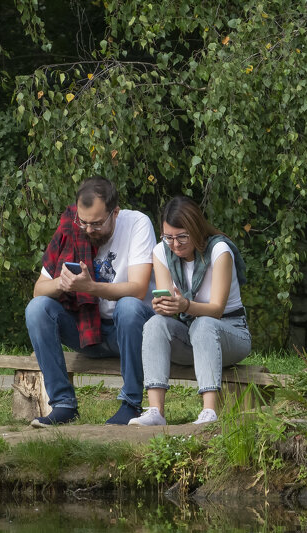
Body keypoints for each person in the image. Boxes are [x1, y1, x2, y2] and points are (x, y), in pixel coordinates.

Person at [25, 177, 156, 427]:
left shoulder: (137, 223)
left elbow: (139, 289)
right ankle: (63, 405)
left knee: (128, 307)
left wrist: (90, 288)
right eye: (83, 222)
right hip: (88, 331)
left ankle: (131, 404)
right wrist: (62, 284)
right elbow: (38, 290)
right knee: (37, 309)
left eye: (96, 224)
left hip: (130, 332)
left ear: (114, 212)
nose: (87, 230)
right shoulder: (71, 226)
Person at [129, 196, 251, 426]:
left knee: (204, 323)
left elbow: (216, 309)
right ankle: (156, 411)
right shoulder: (161, 252)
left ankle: (209, 412)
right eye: (169, 237)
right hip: (192, 337)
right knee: (155, 324)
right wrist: (164, 306)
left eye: (182, 236)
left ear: (195, 228)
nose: (175, 244)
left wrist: (185, 305)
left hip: (231, 335)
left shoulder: (219, 251)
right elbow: (169, 304)